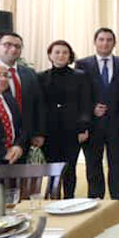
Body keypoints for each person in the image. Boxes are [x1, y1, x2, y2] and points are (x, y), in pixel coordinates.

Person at [77, 28, 119, 201]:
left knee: (117, 164)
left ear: (114, 43)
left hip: (116, 124)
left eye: (109, 40)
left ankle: (117, 200)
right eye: (101, 39)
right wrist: (92, 108)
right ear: (95, 42)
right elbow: (80, 94)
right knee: (93, 164)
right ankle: (95, 200)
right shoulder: (82, 64)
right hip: (93, 124)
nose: (105, 43)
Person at [38, 40, 92, 199]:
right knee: (52, 168)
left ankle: (69, 199)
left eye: (65, 52)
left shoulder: (80, 76)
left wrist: (83, 128)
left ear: (70, 56)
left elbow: (85, 104)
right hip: (49, 131)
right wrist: (39, 132)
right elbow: (39, 106)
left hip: (72, 130)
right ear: (50, 55)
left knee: (70, 168)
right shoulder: (41, 77)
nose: (61, 55)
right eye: (57, 52)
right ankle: (53, 199)